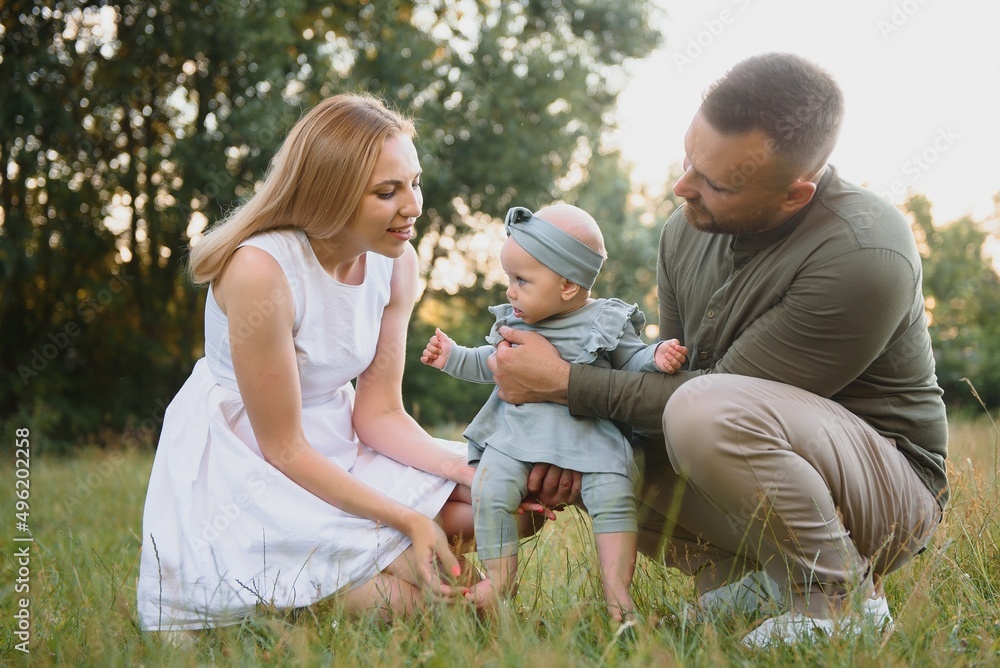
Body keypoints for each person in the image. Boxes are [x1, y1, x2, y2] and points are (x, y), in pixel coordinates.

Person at [485, 52, 949, 647]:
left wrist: (562, 384)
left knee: (699, 410)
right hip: (753, 446)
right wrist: (563, 437)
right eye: (688, 160)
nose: (682, 188)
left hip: (886, 491)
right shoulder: (684, 230)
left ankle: (838, 602)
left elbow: (700, 396)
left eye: (717, 183)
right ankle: (757, 587)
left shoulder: (864, 252)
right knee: (599, 448)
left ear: (794, 195)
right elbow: (664, 379)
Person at [136, 93, 482, 632]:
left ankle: (356, 567)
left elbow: (380, 413)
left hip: (338, 434)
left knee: (491, 495)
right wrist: (408, 518)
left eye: (415, 182)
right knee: (430, 611)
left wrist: (468, 471)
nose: (413, 206)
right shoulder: (261, 271)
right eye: (387, 192)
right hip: (253, 461)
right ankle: (292, 597)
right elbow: (284, 447)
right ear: (330, 195)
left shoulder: (397, 262)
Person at [421, 204, 688, 622]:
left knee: (614, 501)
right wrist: (451, 356)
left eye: (522, 280)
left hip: (589, 437)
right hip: (517, 437)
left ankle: (618, 595)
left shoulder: (605, 319)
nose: (510, 291)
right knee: (489, 489)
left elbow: (632, 362)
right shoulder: (516, 321)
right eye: (509, 279)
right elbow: (488, 363)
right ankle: (499, 577)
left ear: (567, 285)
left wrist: (657, 356)